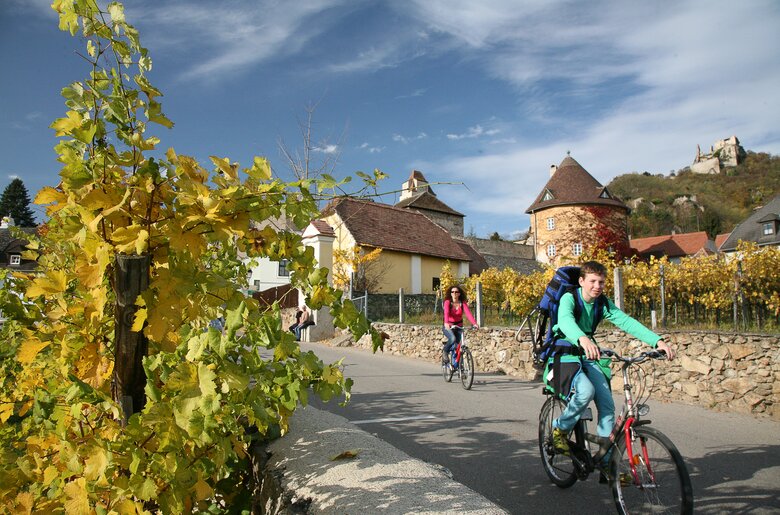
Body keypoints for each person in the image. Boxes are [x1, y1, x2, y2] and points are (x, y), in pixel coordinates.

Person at [549, 261, 675, 475]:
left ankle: (606, 462)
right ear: (581, 281)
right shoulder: (569, 298)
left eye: (601, 282)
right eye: (592, 281)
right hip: (566, 353)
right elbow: (565, 321)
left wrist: (657, 341)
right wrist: (582, 338)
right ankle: (559, 429)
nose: (597, 286)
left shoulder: (602, 303)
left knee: (607, 405)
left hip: (589, 353)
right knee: (585, 391)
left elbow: (626, 322)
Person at [442, 285, 479, 364]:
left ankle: (457, 366)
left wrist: (474, 324)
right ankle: (445, 351)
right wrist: (446, 323)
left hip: (459, 326)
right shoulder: (447, 302)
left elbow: (468, 314)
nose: (454, 293)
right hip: (448, 326)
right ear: (450, 293)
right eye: (452, 292)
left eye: (456, 292)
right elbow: (446, 313)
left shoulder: (462, 303)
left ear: (459, 294)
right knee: (453, 338)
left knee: (458, 346)